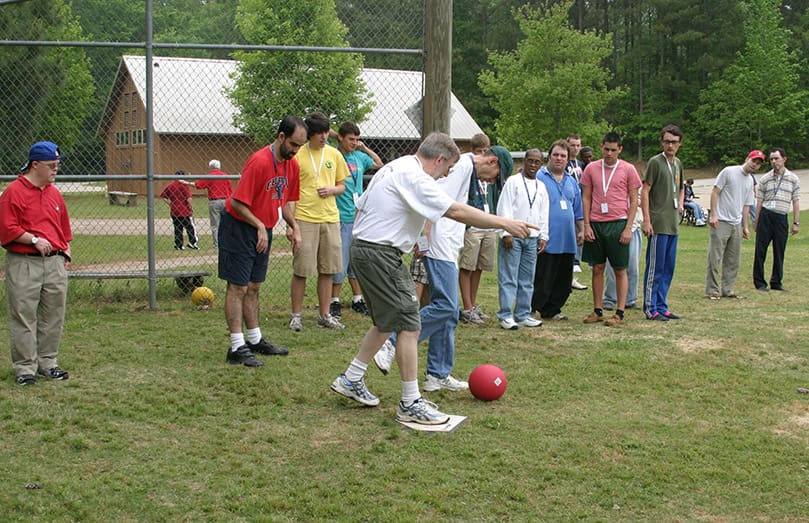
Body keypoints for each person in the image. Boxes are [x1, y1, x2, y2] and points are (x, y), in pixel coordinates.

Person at [330, 133, 536, 425]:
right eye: (447, 169)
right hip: (379, 253)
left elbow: (366, 206)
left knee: (386, 322)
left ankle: (351, 379)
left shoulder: (397, 165)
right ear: (439, 159)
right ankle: (410, 402)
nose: (447, 175)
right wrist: (505, 223)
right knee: (411, 326)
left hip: (370, 250)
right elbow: (454, 210)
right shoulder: (416, 177)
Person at [372, 146, 516, 390]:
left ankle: (437, 374)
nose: (490, 182)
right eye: (494, 176)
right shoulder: (461, 167)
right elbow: (434, 202)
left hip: (449, 246)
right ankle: (392, 342)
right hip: (439, 247)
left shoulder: (466, 169)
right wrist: (425, 239)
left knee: (448, 316)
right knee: (446, 307)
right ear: (491, 161)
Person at [221, 116, 305, 367]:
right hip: (239, 226)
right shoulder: (259, 162)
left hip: (262, 228)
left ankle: (255, 339)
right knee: (238, 287)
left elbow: (284, 201)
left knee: (254, 287)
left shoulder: (292, 165)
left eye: (300, 146)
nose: (296, 150)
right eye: (293, 144)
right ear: (281, 137)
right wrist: (258, 225)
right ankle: (236, 347)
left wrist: (294, 226)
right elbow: (236, 201)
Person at [0, 141, 72, 385]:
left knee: (53, 314)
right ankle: (25, 368)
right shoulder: (14, 192)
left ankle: (48, 363)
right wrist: (33, 239)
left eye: (57, 166)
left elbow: (63, 229)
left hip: (54, 262)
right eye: (51, 166)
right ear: (35, 165)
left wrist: (66, 252)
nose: (55, 170)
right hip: (24, 261)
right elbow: (7, 228)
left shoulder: (54, 193)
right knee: (24, 314)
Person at [290, 112, 349, 331]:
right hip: (305, 218)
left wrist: (332, 189)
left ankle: (324, 314)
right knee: (302, 269)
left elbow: (342, 185)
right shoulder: (297, 156)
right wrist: (291, 224)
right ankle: (296, 315)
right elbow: (290, 192)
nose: (324, 137)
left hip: (330, 218)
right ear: (309, 135)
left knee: (328, 269)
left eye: (326, 132)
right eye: (319, 134)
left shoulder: (334, 155)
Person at [580, 132, 642, 327]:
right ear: (601, 147)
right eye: (606, 149)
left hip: (618, 222)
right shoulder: (591, 168)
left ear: (620, 150)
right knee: (597, 267)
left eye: (613, 150)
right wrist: (587, 225)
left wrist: (628, 228)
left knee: (620, 269)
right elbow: (586, 198)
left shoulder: (628, 169)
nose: (609, 153)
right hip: (597, 223)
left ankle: (620, 312)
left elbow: (634, 201)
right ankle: (598, 310)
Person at [329, 121, 383, 319]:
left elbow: (379, 164)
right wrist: (337, 137)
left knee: (356, 261)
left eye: (357, 139)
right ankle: (333, 301)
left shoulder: (359, 157)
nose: (354, 142)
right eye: (351, 139)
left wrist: (364, 148)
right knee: (340, 261)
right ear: (341, 137)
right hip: (341, 216)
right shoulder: (334, 155)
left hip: (359, 216)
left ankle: (357, 299)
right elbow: (325, 136)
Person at [496, 148, 550, 330]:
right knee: (509, 276)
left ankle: (523, 313)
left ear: (541, 164)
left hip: (532, 238)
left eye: (537, 162)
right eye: (530, 161)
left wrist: (543, 235)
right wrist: (506, 232)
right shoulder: (513, 182)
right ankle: (505, 314)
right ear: (524, 161)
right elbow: (505, 207)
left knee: (527, 278)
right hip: (515, 235)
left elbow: (544, 213)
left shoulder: (541, 186)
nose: (533, 165)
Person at [533, 141, 583, 321]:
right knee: (541, 277)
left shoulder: (571, 182)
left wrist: (581, 230)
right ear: (549, 156)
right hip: (546, 238)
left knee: (562, 279)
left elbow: (578, 210)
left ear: (568, 159)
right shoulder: (539, 177)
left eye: (563, 156)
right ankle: (532, 307)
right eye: (556, 155)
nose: (559, 159)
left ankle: (552, 310)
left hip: (567, 239)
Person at [641, 124, 685, 321]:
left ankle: (662, 304)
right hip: (658, 224)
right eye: (667, 141)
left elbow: (681, 187)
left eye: (674, 142)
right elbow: (645, 190)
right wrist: (647, 220)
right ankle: (651, 307)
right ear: (662, 142)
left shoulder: (678, 164)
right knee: (655, 268)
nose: (670, 145)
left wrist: (681, 205)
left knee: (668, 267)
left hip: (672, 224)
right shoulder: (655, 162)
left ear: (679, 143)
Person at [705, 150, 761, 299]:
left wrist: (745, 227)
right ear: (747, 158)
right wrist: (713, 215)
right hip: (721, 221)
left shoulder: (750, 181)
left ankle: (728, 290)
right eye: (754, 160)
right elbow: (715, 192)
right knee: (715, 257)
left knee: (733, 259)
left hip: (736, 224)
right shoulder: (729, 172)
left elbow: (746, 205)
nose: (755, 164)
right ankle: (713, 291)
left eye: (758, 163)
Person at [458, 133, 500, 325]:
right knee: (468, 265)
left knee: (480, 266)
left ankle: (473, 304)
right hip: (473, 226)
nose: (483, 155)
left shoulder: (491, 176)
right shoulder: (468, 170)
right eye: (479, 152)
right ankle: (466, 307)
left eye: (486, 151)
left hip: (488, 223)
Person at [753, 147, 801, 292]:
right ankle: (760, 282)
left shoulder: (793, 179)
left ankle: (776, 281)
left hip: (781, 217)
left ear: (784, 159)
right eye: (772, 159)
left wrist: (796, 222)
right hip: (766, 216)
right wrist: (756, 221)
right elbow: (759, 202)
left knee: (779, 251)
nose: (774, 162)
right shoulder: (765, 179)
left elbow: (796, 201)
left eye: (776, 158)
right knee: (760, 250)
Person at [603, 195, 642, 310]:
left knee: (633, 266)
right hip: (615, 225)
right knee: (612, 266)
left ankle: (630, 299)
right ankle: (610, 297)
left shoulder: (636, 181)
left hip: (633, 228)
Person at [188, 159, 233, 249]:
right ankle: (227, 243)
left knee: (215, 224)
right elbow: (230, 190)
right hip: (226, 200)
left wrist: (187, 183)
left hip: (214, 201)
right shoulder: (225, 176)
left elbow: (199, 185)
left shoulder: (210, 176)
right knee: (226, 223)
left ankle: (217, 244)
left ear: (211, 167)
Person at [566, 134, 588, 291]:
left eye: (577, 145)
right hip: (568, 205)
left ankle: (575, 264)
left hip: (580, 205)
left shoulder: (580, 164)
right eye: (572, 145)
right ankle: (571, 267)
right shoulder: (564, 163)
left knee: (579, 234)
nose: (575, 148)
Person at [161, 171, 199, 250]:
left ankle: (179, 245)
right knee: (190, 227)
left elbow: (163, 196)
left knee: (178, 228)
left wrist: (170, 203)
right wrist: (190, 207)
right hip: (184, 211)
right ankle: (192, 242)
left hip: (175, 210)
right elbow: (188, 198)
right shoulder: (184, 185)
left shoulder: (170, 185)